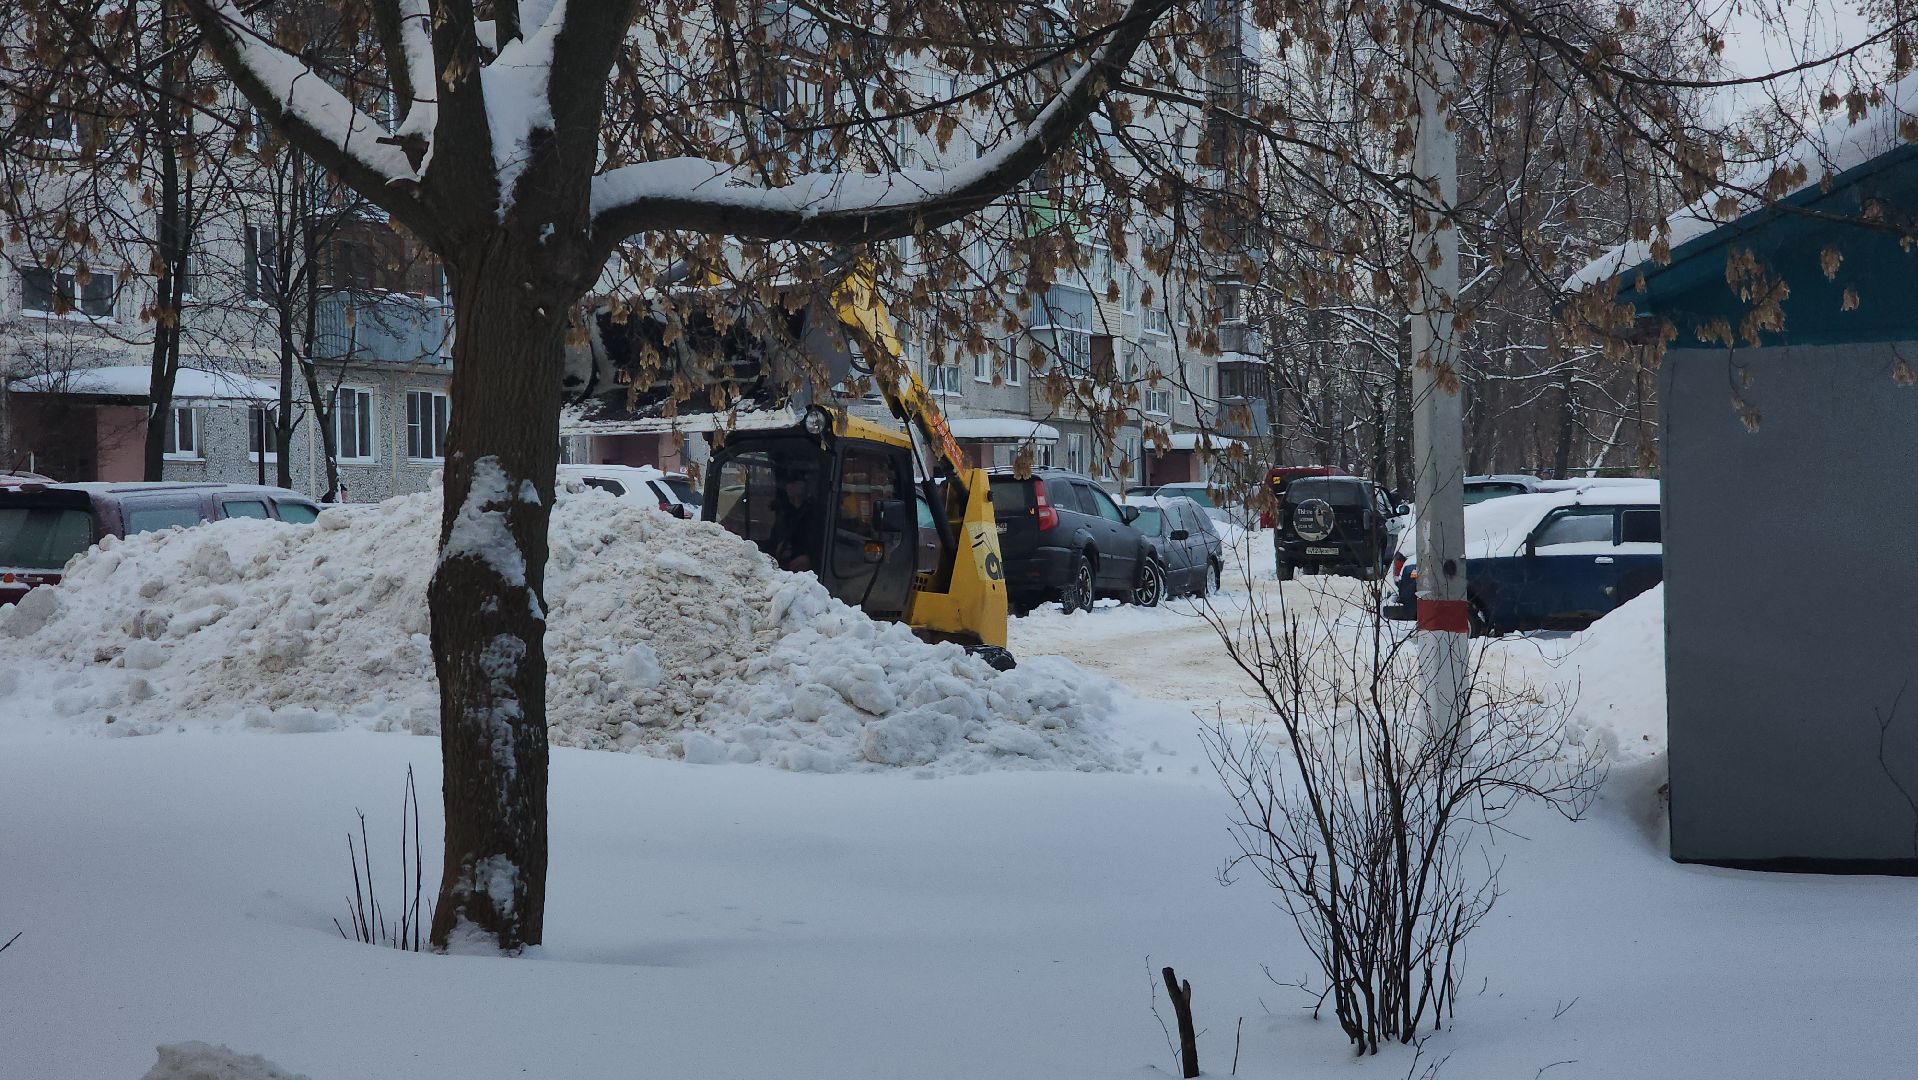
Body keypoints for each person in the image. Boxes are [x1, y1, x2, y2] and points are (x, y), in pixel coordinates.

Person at [767, 469, 821, 572]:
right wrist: (777, 548)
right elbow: (773, 541)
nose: (796, 503)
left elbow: (828, 547)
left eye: (800, 498)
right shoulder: (786, 513)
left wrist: (810, 559)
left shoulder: (818, 515)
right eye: (791, 499)